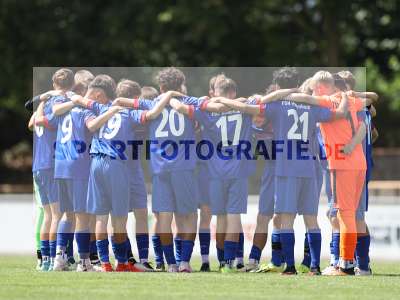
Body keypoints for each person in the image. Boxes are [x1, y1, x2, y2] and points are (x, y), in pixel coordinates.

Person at [29, 68, 75, 271]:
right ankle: (51, 259)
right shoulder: (59, 106)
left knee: (48, 215)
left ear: (54, 84)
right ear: (71, 85)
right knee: (57, 215)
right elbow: (41, 122)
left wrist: (42, 101)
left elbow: (32, 122)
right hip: (50, 165)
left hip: (37, 167)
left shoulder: (45, 103)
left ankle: (43, 260)